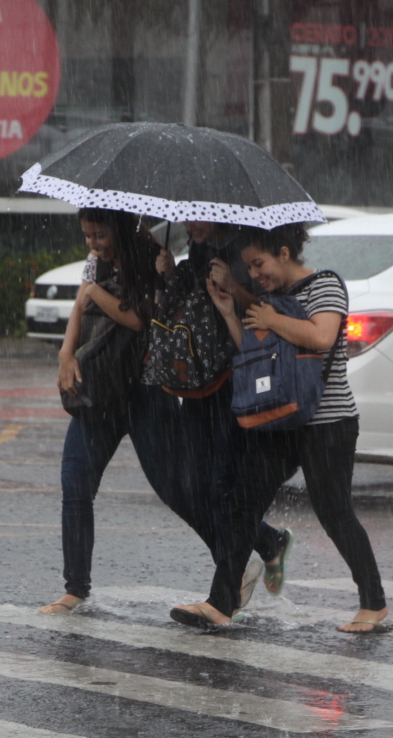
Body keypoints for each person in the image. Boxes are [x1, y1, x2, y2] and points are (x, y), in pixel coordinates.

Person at [170, 224, 392, 634]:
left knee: (334, 511)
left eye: (260, 264)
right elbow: (252, 351)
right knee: (243, 501)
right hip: (281, 419)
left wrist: (271, 315)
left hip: (327, 421)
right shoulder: (268, 299)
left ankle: (374, 604)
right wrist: (227, 308)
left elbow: (322, 337)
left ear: (285, 254)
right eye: (250, 267)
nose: (255, 273)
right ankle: (220, 603)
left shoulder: (325, 285)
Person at [41, 208, 206, 615]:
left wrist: (95, 293)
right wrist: (66, 354)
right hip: (102, 387)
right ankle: (75, 588)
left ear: (118, 228)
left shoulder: (149, 254)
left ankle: (258, 544)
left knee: (176, 490)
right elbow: (78, 309)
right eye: (86, 236)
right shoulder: (97, 261)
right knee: (75, 480)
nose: (92, 244)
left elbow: (139, 318)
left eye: (99, 235)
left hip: (146, 388)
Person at [155, 221, 294, 606]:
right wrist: (171, 274)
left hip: (231, 383)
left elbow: (268, 312)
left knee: (221, 487)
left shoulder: (241, 251)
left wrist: (234, 286)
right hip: (198, 381)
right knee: (190, 483)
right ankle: (267, 542)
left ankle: (227, 588)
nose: (189, 224)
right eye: (186, 217)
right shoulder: (198, 251)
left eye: (197, 218)